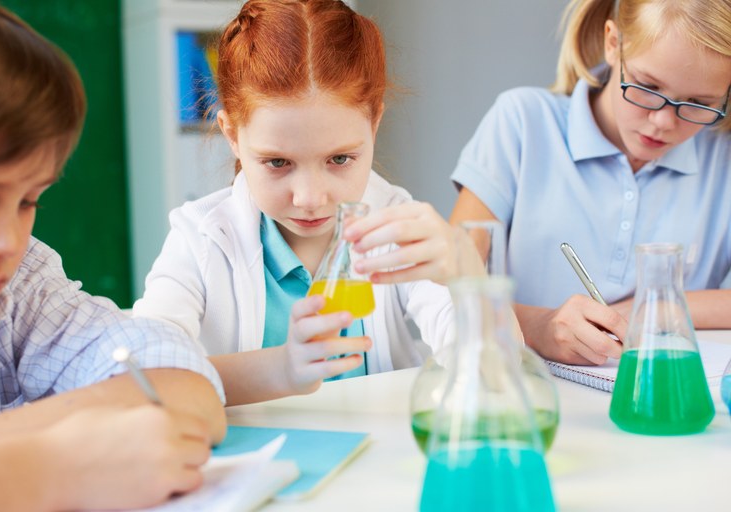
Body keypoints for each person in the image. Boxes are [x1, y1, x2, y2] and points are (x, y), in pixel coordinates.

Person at [0, 1, 227, 509]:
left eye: (28, 201)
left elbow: (179, 378)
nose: (5, 241)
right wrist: (45, 466)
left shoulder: (18, 283)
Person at [133, 0, 461, 405]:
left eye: (339, 159)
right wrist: (281, 369)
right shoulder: (199, 240)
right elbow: (146, 376)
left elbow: (491, 369)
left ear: (374, 122)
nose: (310, 198)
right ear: (232, 135)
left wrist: (468, 280)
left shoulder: (397, 225)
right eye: (277, 162)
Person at [449, 0, 731, 365]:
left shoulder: (722, 157)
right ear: (614, 44)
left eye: (698, 103)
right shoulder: (522, 123)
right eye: (647, 86)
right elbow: (446, 284)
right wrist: (539, 327)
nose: (663, 122)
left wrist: (647, 309)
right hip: (519, 393)